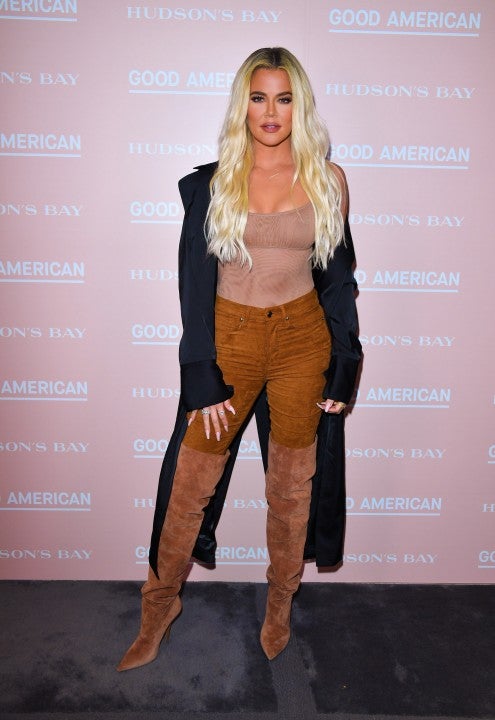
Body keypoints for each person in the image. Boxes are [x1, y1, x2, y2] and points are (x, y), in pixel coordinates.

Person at [117, 47, 361, 672]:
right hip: (230, 340)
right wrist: (199, 369)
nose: (271, 111)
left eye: (284, 98)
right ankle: (158, 607)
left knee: (291, 486)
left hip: (303, 340)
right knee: (190, 485)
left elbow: (338, 282)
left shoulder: (328, 180)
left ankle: (279, 605)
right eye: (258, 97)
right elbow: (192, 282)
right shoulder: (213, 182)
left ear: (299, 105)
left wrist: (345, 363)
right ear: (242, 105)